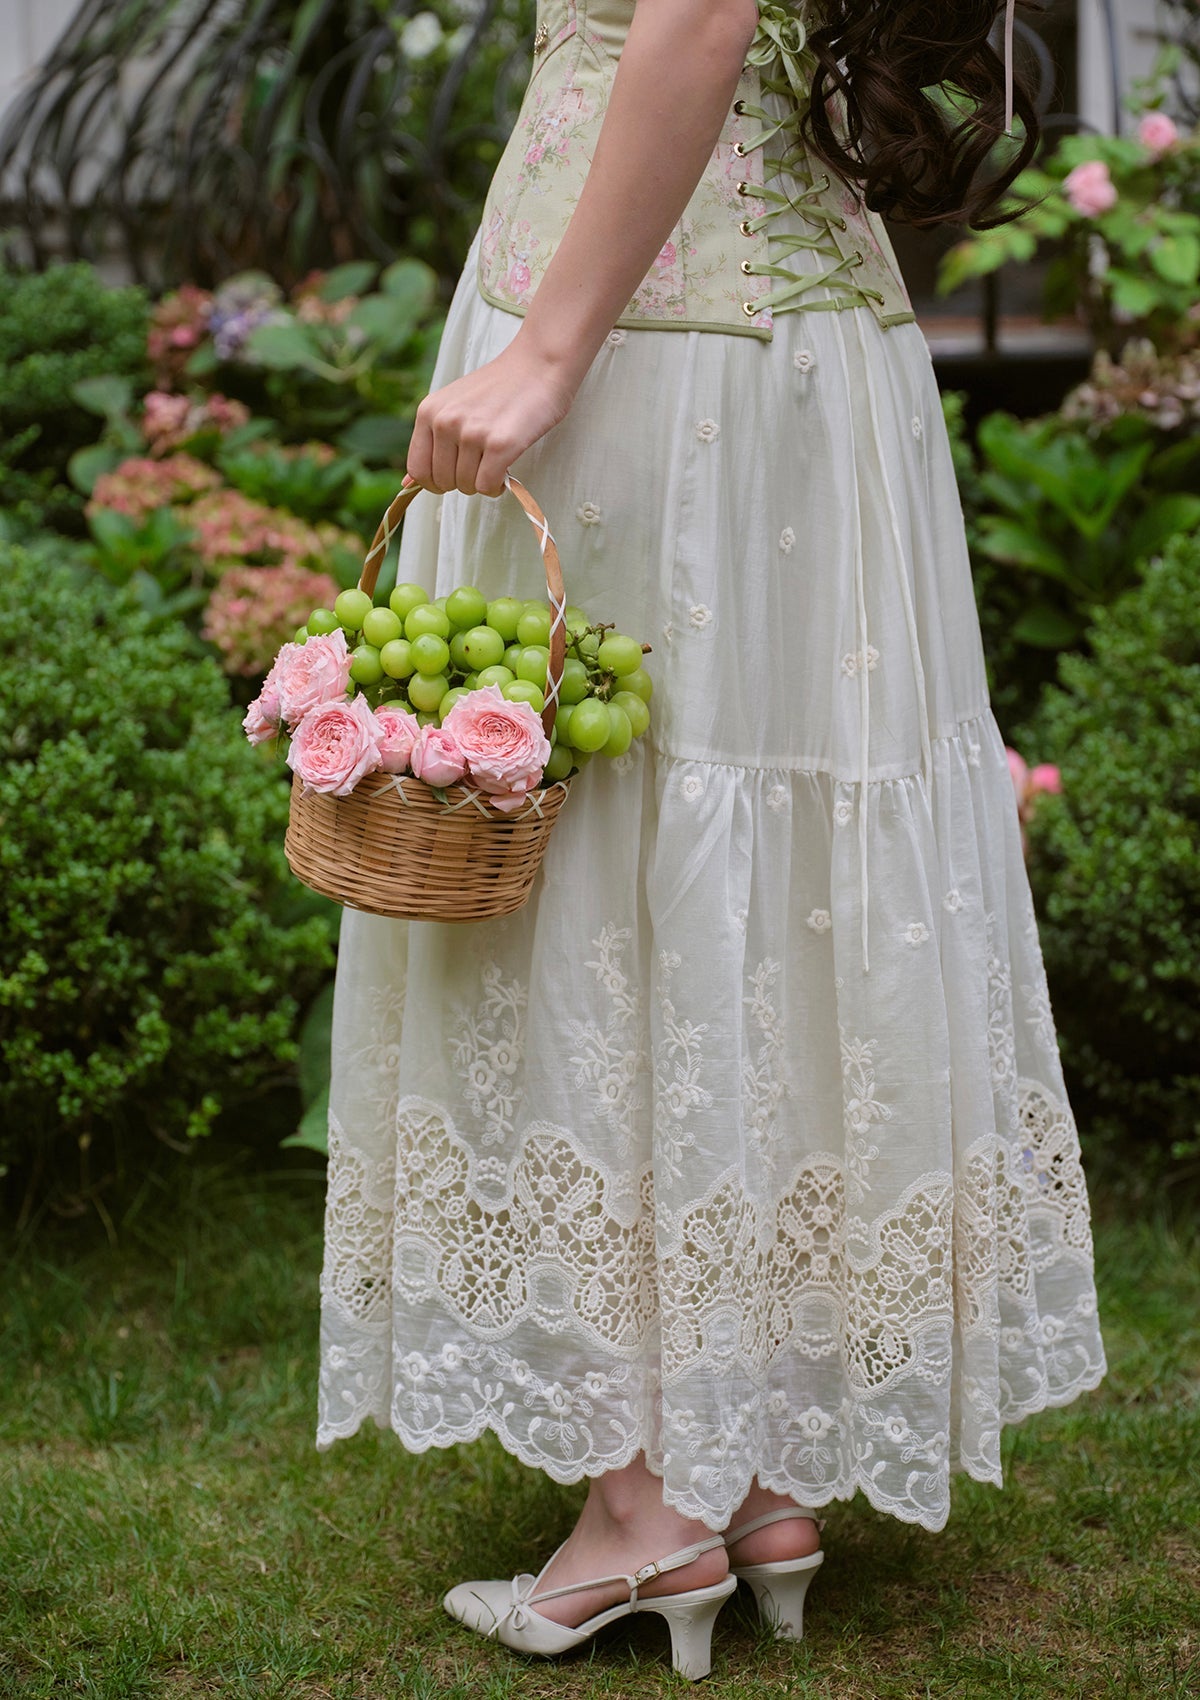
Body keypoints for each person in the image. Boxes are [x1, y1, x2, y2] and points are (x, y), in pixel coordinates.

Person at [316, 0, 1107, 1679]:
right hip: (812, 358)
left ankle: (642, 1509)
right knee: (747, 876)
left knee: (596, 863)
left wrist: (547, 353)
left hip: (645, 356)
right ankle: (744, 1474)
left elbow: (693, 10)